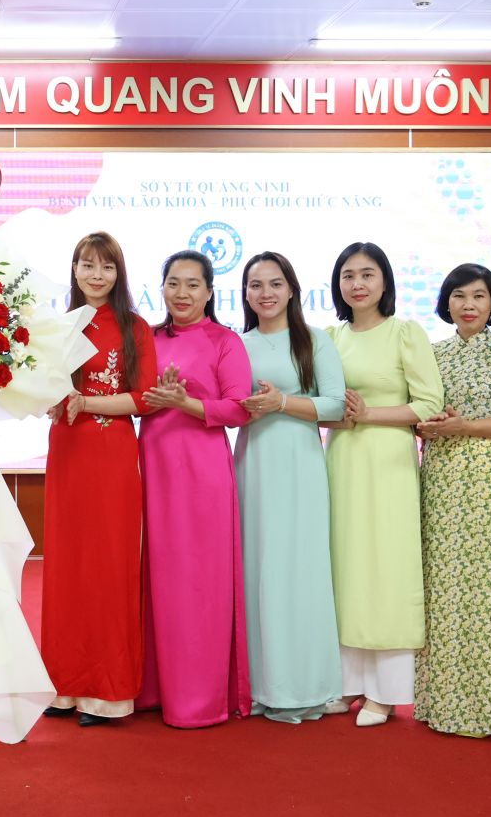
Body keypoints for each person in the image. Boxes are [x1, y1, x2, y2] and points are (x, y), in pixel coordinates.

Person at [325, 242, 444, 727]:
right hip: (343, 458)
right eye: (348, 275)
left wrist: (369, 413)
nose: (357, 284)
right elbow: (323, 402)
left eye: (367, 274)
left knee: (386, 568)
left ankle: (387, 692)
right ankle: (348, 683)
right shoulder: (331, 337)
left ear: (385, 281)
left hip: (389, 461)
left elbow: (428, 403)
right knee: (347, 565)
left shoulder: (404, 333)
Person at [413, 264, 491, 738]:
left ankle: (486, 710)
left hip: (489, 479)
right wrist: (429, 424)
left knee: (489, 591)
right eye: (459, 295)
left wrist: (463, 425)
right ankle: (438, 704)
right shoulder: (432, 354)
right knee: (443, 588)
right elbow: (418, 414)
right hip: (441, 479)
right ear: (446, 302)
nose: (468, 305)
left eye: (479, 296)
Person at [41, 232, 155, 727]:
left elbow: (145, 398)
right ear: (74, 269)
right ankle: (66, 686)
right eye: (87, 265)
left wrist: (86, 402)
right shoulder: (56, 326)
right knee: (66, 566)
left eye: (106, 267)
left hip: (112, 455)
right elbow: (41, 387)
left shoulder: (135, 327)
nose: (96, 275)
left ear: (118, 274)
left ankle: (107, 694)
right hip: (67, 451)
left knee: (109, 567)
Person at [137, 250, 253, 728]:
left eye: (192, 284)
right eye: (173, 283)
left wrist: (186, 403)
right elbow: (134, 396)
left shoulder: (224, 341)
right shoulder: (147, 338)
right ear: (162, 287)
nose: (181, 293)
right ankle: (153, 688)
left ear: (209, 292)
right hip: (153, 467)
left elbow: (241, 408)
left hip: (202, 472)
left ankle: (199, 698)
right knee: (157, 576)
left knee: (198, 580)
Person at [234, 251, 346, 724]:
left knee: (299, 568)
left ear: (292, 289)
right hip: (254, 462)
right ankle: (261, 684)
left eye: (275, 283)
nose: (266, 293)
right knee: (257, 568)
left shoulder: (314, 340)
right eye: (256, 285)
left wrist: (282, 402)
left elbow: (336, 405)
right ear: (244, 293)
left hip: (300, 464)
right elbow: (229, 404)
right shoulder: (237, 343)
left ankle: (305, 683)